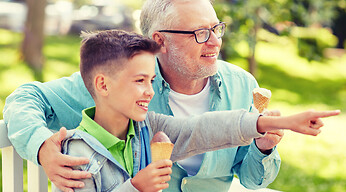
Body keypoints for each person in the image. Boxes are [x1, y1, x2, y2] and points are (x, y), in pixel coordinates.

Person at [0, 0, 333, 192]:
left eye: (217, 28)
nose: (215, 41)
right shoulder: (122, 86)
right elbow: (25, 97)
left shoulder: (242, 86)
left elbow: (249, 176)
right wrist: (41, 147)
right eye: (200, 32)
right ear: (159, 41)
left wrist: (265, 144)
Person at [55, 29, 339, 192]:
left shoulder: (146, 127)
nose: (150, 91)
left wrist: (276, 122)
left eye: (151, 80)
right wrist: (136, 187)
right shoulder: (78, 154)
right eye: (139, 81)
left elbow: (203, 129)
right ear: (103, 85)